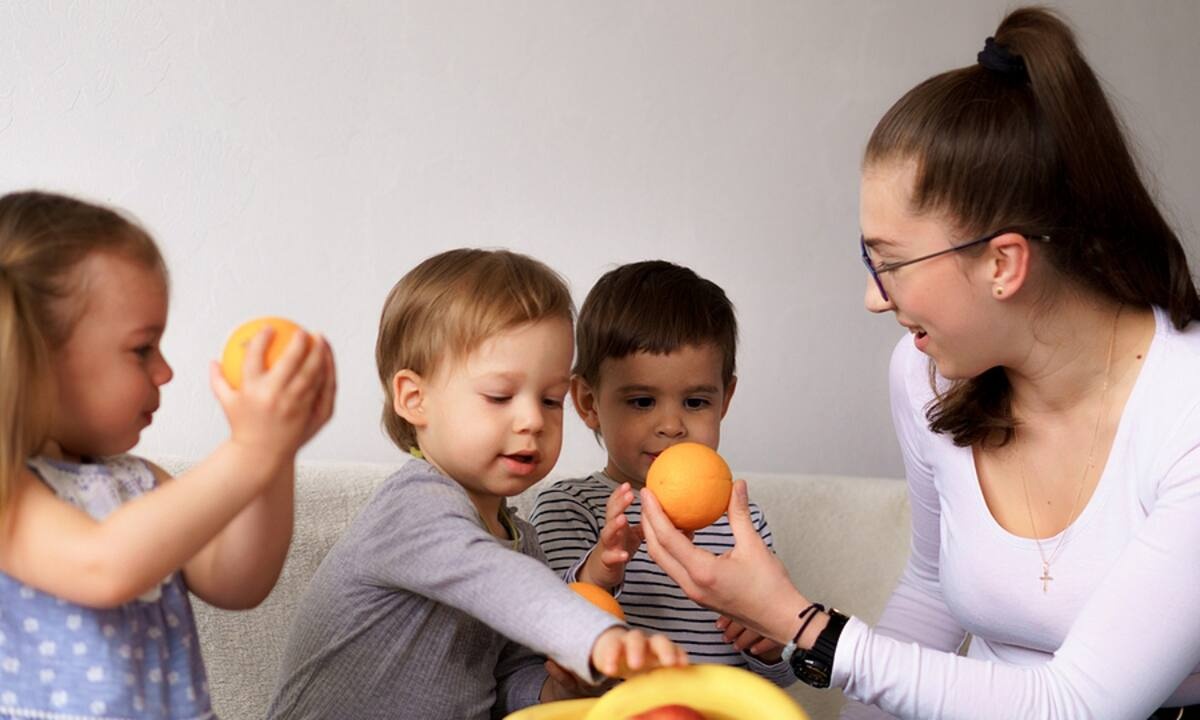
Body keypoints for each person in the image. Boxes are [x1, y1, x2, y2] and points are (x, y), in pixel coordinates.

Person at [639, 7, 1200, 719]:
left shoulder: (1187, 413)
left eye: (892, 263)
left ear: (1004, 262)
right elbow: (932, 593)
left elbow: (1080, 705)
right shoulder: (926, 375)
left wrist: (803, 626)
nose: (875, 299)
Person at [267, 249, 688, 720]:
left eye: (550, 400)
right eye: (499, 396)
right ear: (415, 398)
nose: (532, 420)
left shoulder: (521, 543)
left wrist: (558, 691)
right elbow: (496, 580)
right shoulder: (415, 507)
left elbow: (507, 681)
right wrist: (594, 634)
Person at [0, 190, 336, 718]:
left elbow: (238, 581)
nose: (165, 372)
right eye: (142, 349)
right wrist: (249, 450)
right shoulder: (8, 492)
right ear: (33, 355)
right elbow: (102, 566)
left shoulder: (137, 482)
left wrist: (275, 455)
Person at [530, 260, 793, 687]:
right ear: (588, 403)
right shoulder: (569, 508)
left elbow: (781, 676)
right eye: (641, 402)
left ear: (724, 399)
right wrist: (601, 568)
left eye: (695, 403)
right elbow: (545, 631)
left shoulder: (744, 523)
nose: (671, 425)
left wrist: (769, 641)